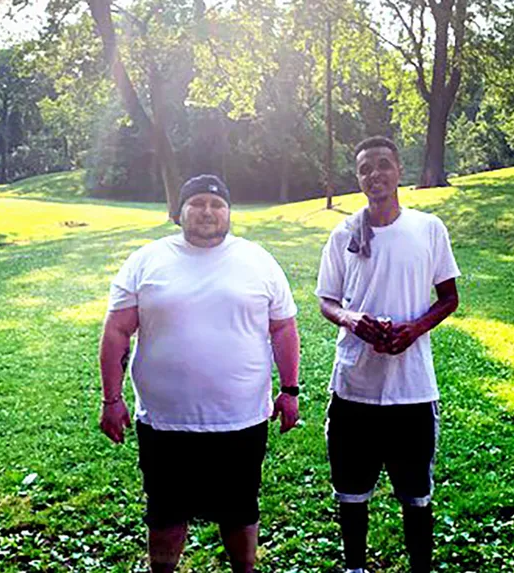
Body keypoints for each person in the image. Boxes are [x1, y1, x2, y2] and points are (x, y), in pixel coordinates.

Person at [98, 174, 301, 573]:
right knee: (165, 512)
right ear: (179, 212)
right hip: (165, 421)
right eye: (197, 203)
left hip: (241, 418)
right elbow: (117, 330)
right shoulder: (147, 259)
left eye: (216, 204)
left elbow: (284, 328)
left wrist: (290, 389)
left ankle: (244, 569)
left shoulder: (258, 259)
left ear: (229, 212)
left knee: (240, 509)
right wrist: (112, 398)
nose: (207, 211)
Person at [315, 136, 461, 573]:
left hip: (411, 389)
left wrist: (414, 329)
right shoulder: (343, 233)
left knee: (416, 494)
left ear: (399, 170)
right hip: (354, 387)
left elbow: (449, 297)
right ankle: (355, 567)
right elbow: (326, 300)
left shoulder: (428, 228)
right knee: (351, 493)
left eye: (383, 165)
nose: (374, 174)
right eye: (364, 169)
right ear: (357, 178)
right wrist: (352, 320)